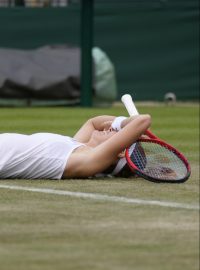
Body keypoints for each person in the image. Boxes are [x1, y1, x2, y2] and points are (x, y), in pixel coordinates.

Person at [0, 114, 151, 179]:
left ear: (120, 152)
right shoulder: (77, 144)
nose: (111, 129)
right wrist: (120, 124)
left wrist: (126, 126)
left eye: (118, 134)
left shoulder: (87, 161)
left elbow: (144, 120)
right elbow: (93, 122)